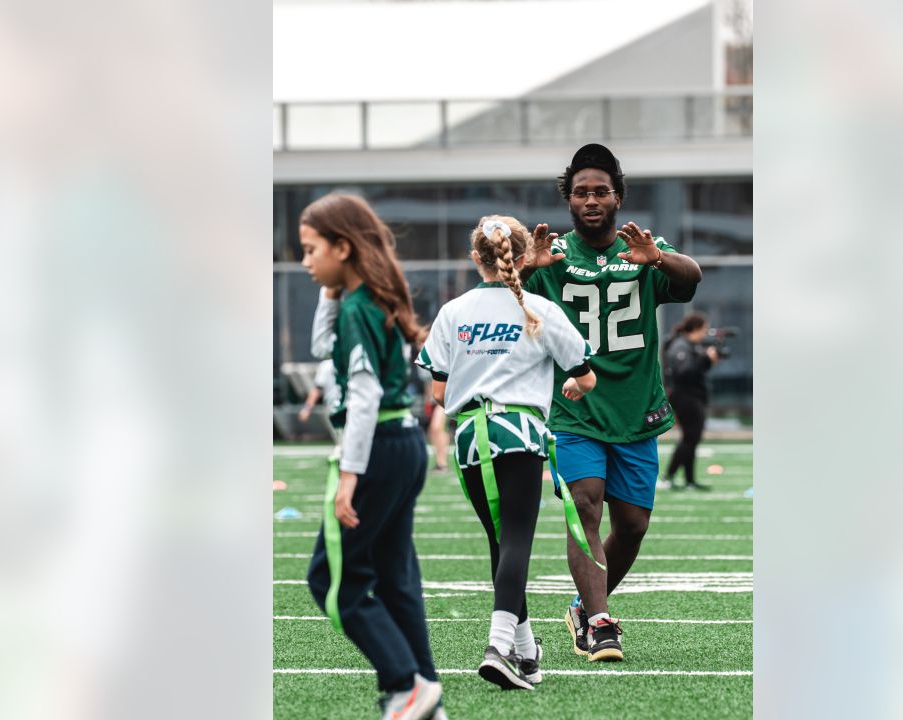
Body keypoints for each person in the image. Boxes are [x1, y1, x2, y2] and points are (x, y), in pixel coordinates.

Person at [522, 143, 703, 662]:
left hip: (636, 407)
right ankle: (601, 623)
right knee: (585, 504)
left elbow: (691, 276)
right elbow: (500, 300)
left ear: (618, 196)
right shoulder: (551, 255)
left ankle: (582, 606)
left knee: (633, 525)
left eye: (600, 190)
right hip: (575, 407)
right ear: (569, 201)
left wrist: (660, 258)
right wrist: (524, 269)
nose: (591, 199)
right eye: (581, 192)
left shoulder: (642, 248)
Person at [416, 215, 597, 690]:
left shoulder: (453, 311)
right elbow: (585, 374)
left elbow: (438, 391)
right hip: (519, 433)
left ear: (476, 259)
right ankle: (497, 647)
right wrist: (573, 387)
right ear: (522, 259)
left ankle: (527, 652)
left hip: (470, 439)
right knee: (516, 542)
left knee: (502, 547)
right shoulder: (538, 308)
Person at [299, 193, 445, 720]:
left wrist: (348, 476)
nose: (305, 261)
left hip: (378, 447)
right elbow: (322, 344)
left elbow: (361, 399)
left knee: (331, 581)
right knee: (396, 577)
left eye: (312, 249)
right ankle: (426, 692)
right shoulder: (372, 301)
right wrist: (332, 288)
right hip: (405, 444)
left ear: (343, 246)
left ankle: (404, 683)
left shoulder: (363, 308)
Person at [659, 312, 720, 490]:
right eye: (704, 330)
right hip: (685, 396)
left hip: (692, 396)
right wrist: (705, 358)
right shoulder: (681, 345)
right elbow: (684, 372)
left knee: (692, 438)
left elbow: (696, 369)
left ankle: (689, 480)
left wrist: (708, 361)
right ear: (695, 329)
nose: (704, 334)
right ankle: (668, 477)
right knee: (690, 438)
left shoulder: (689, 345)